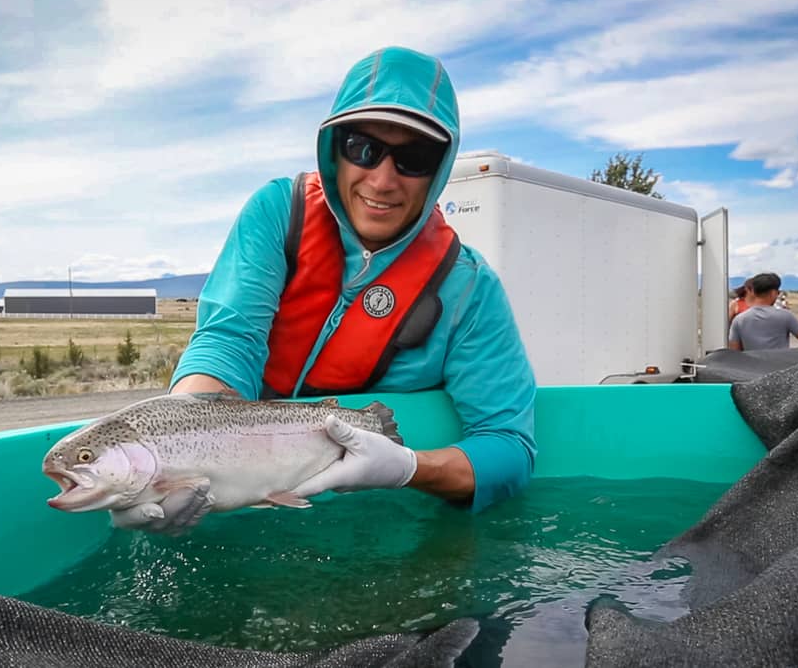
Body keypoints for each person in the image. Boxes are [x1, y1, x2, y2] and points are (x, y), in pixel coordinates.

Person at [110, 46, 536, 535]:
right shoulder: (277, 214)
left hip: (392, 530)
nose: (382, 179)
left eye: (414, 158)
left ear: (439, 169)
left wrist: (408, 468)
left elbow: (510, 446)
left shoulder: (471, 289)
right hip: (252, 506)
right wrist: (176, 454)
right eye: (363, 148)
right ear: (334, 149)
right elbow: (229, 340)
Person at [728, 272, 798, 351]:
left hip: (751, 364)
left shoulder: (739, 320)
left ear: (753, 292)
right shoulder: (786, 315)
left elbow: (734, 349)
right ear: (773, 293)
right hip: (780, 364)